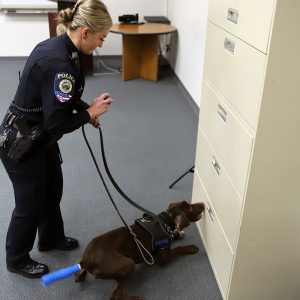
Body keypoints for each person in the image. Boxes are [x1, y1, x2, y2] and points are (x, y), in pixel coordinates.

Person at [0, 0, 113, 278]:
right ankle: (16, 258)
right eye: (101, 38)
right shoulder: (57, 61)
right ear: (85, 32)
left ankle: (50, 239)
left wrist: (86, 108)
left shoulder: (67, 48)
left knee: (52, 188)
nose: (100, 45)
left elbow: (65, 97)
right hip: (22, 141)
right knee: (29, 203)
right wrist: (88, 114)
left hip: (39, 136)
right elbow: (55, 125)